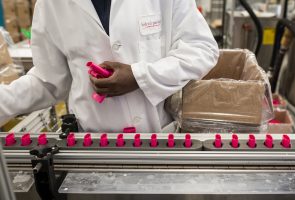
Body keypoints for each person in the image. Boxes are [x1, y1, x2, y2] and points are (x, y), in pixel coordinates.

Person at [0, 0, 219, 133]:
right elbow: (49, 82)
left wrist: (139, 77)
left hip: (158, 140)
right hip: (90, 148)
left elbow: (201, 48)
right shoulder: (51, 5)